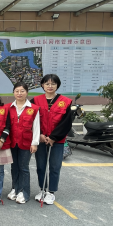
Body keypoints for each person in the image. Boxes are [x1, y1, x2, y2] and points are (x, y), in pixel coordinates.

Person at [31, 74, 74, 206]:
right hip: (41, 139)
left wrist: (54, 137)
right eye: (47, 84)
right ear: (42, 85)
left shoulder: (65, 102)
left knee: (55, 167)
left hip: (57, 141)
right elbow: (31, 120)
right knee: (41, 166)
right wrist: (40, 135)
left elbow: (66, 123)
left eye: (53, 84)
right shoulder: (35, 100)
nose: (50, 86)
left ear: (57, 85)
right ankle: (42, 189)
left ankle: (51, 192)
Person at [8, 82, 40, 204]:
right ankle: (15, 188)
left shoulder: (34, 108)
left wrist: (35, 142)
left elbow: (36, 127)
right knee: (14, 167)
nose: (19, 93)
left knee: (23, 167)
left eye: (22, 91)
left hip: (26, 143)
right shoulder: (9, 107)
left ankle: (24, 192)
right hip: (12, 142)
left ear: (27, 92)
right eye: (17, 91)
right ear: (13, 93)